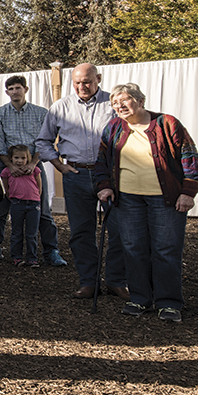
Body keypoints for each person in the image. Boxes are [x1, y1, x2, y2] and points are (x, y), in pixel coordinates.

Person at [93, 84, 198, 323]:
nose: (119, 106)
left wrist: (188, 192)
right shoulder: (113, 128)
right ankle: (140, 298)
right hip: (127, 198)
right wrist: (104, 186)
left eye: (125, 100)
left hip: (165, 199)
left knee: (166, 250)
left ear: (140, 101)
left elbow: (190, 158)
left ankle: (169, 303)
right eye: (114, 103)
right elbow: (101, 161)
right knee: (133, 248)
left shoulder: (167, 123)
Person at [37, 63, 126, 301]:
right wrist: (58, 165)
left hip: (111, 175)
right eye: (76, 82)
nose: (81, 87)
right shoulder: (60, 107)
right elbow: (43, 141)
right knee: (81, 232)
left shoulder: (113, 103)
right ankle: (89, 282)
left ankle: (117, 280)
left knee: (119, 229)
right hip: (76, 174)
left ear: (98, 78)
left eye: (86, 82)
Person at [0, 75, 65, 266]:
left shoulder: (40, 113)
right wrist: (11, 166)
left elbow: (45, 140)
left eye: (18, 88)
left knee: (43, 209)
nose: (15, 91)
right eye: (11, 88)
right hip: (6, 167)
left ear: (25, 89)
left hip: (33, 167)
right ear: (7, 92)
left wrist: (32, 164)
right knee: (0, 209)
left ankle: (51, 250)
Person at [2, 144, 43, 267]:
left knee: (31, 233)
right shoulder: (7, 171)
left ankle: (32, 258)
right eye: (16, 158)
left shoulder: (34, 170)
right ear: (11, 158)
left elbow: (39, 185)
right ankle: (16, 257)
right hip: (17, 204)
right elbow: (6, 187)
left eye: (23, 158)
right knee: (16, 232)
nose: (19, 161)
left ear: (28, 158)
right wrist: (12, 197)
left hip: (33, 204)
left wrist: (36, 197)